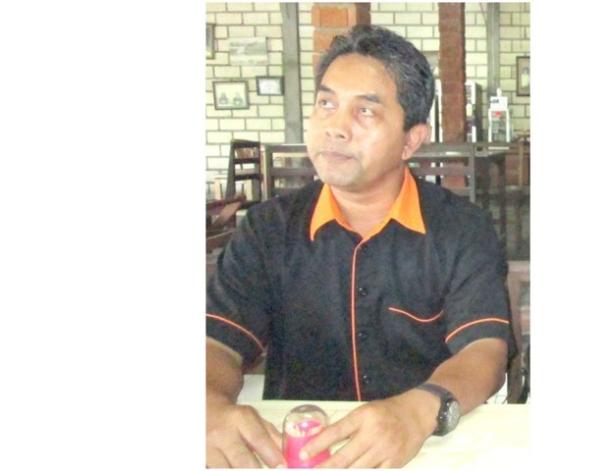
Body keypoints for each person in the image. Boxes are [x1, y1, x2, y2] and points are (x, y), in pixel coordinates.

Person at [206, 25, 515, 468]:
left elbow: (483, 350)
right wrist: (208, 406)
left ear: (411, 139)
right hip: (301, 452)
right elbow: (217, 343)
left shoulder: (461, 229)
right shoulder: (268, 229)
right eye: (326, 104)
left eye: (365, 111)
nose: (335, 128)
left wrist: (418, 410)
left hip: (425, 447)